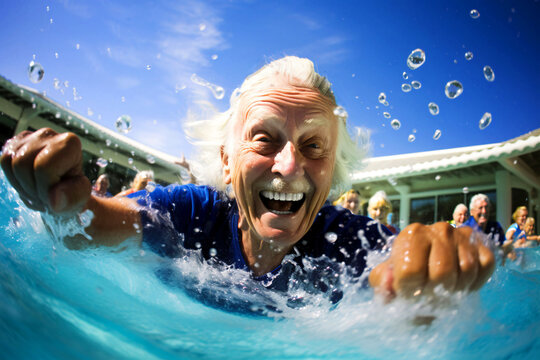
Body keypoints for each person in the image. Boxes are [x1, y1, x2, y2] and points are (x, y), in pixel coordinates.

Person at [0, 56, 494, 304]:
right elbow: (95, 225)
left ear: (332, 169)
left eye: (314, 146)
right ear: (227, 160)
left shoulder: (346, 241)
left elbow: (414, 255)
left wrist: (441, 249)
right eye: (264, 139)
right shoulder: (192, 214)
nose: (289, 166)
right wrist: (60, 202)